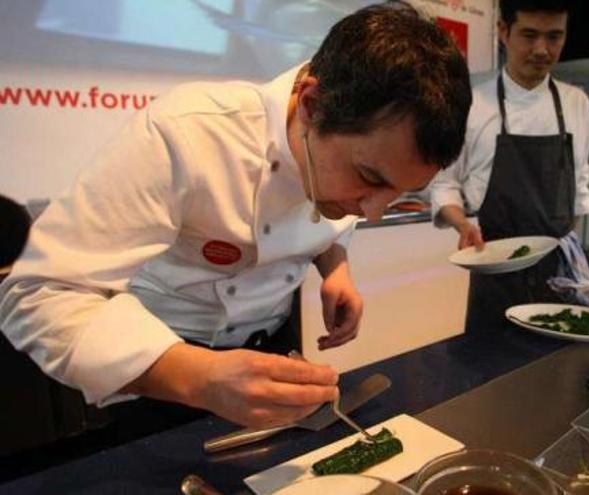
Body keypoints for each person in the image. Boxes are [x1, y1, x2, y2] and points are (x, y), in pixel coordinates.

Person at [0, 3, 471, 429]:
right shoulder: (187, 133)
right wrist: (198, 376)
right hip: (161, 364)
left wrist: (335, 268)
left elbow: (323, 223)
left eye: (400, 193)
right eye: (368, 177)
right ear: (311, 105)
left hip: (275, 343)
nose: (371, 213)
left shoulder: (340, 152)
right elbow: (38, 294)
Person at [430, 0, 589, 332]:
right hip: (494, 263)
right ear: (503, 31)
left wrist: (566, 246)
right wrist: (463, 226)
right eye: (529, 35)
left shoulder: (576, 103)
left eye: (554, 37)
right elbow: (444, 185)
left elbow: (579, 184)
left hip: (556, 272)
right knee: (488, 368)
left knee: (555, 371)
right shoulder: (473, 104)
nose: (541, 50)